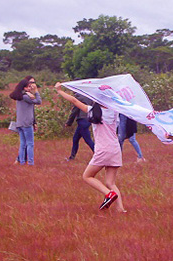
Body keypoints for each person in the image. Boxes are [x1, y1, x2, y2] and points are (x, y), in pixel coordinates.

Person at [54, 82, 126, 212]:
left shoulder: (93, 111)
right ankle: (120, 209)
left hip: (103, 149)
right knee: (111, 183)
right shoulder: (115, 111)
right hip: (115, 149)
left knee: (87, 176)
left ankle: (108, 194)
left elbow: (74, 100)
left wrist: (59, 91)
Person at [9, 76, 41, 166]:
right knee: (30, 144)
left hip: (20, 123)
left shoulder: (19, 97)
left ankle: (22, 162)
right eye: (28, 86)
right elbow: (38, 101)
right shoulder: (26, 97)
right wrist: (36, 92)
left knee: (23, 144)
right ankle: (30, 162)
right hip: (27, 123)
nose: (30, 87)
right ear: (24, 87)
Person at [65, 92, 95, 161]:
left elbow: (74, 111)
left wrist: (69, 123)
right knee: (75, 139)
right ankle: (72, 157)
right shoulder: (88, 96)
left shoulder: (78, 97)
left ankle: (98, 155)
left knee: (88, 140)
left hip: (82, 121)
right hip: (88, 120)